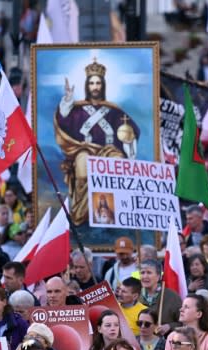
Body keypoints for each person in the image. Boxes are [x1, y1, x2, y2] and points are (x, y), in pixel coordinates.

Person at [55, 58, 141, 225]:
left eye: (98, 83)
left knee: (118, 163)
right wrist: (67, 100)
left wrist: (128, 139)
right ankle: (82, 212)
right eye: (92, 83)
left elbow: (130, 131)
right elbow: (63, 122)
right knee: (82, 164)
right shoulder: (77, 110)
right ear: (87, 86)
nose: (95, 87)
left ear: (103, 86)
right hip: (85, 150)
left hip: (109, 151)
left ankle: (114, 212)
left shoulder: (114, 111)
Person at [138, 260, 182, 335]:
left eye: (149, 272)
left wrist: (169, 326)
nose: (145, 276)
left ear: (159, 276)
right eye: (142, 273)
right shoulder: (135, 295)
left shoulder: (172, 296)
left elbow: (184, 322)